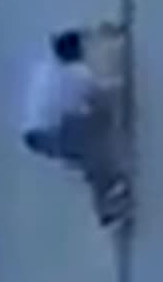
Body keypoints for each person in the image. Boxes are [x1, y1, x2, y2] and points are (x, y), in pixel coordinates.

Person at [21, 25, 132, 227]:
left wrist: (103, 32)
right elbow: (105, 93)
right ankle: (108, 202)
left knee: (87, 147)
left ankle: (105, 188)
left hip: (36, 133)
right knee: (96, 149)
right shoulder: (76, 76)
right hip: (53, 132)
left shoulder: (46, 68)